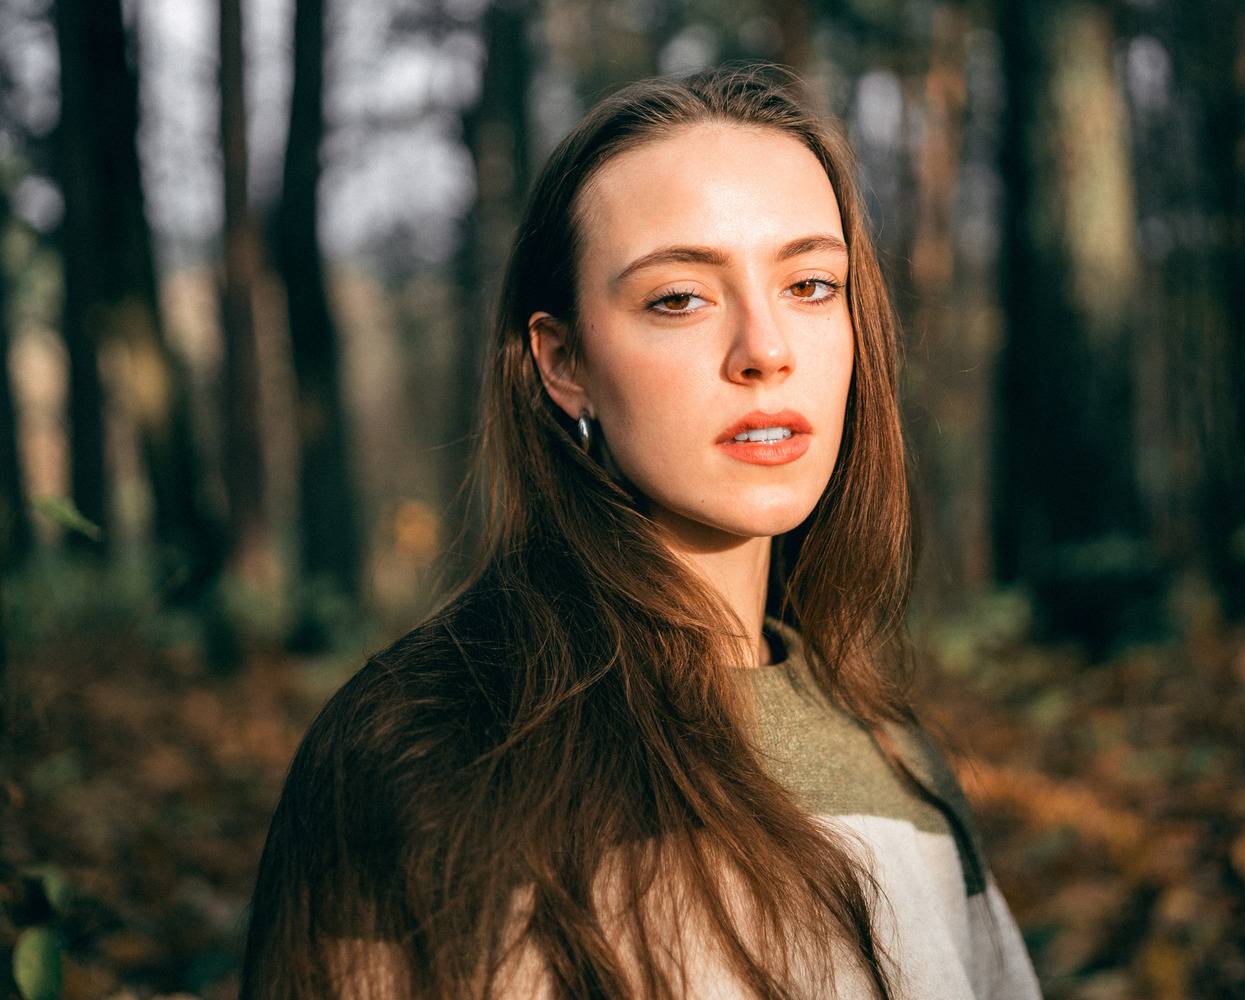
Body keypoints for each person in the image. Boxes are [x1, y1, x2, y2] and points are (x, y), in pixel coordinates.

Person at [237, 63, 1042, 1000]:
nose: (766, 350)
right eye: (679, 299)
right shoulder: (421, 752)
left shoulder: (901, 760)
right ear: (565, 362)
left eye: (812, 285)